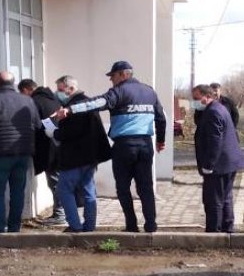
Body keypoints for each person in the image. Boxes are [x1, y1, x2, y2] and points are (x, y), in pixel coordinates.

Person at [53, 61, 167, 233]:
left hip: (124, 146)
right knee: (145, 187)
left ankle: (131, 225)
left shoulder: (118, 91)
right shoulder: (149, 91)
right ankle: (151, 225)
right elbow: (161, 118)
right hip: (145, 144)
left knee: (123, 187)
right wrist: (161, 141)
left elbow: (97, 103)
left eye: (112, 76)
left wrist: (70, 110)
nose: (111, 80)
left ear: (122, 74)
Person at [0, 71, 39, 233]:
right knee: (18, 191)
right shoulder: (27, 100)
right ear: (14, 82)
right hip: (23, 152)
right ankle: (14, 227)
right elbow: (37, 125)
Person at [50, 76, 112, 232]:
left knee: (64, 190)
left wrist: (54, 133)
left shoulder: (74, 106)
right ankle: (89, 226)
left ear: (70, 88)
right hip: (90, 157)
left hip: (75, 157)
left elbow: (71, 132)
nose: (58, 93)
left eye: (60, 89)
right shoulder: (87, 103)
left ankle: (75, 226)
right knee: (88, 190)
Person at [191, 84, 244, 232]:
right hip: (228, 163)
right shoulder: (217, 108)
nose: (194, 102)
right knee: (225, 198)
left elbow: (215, 141)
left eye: (196, 98)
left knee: (213, 200)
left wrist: (208, 165)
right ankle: (227, 228)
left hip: (219, 165)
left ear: (207, 96)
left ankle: (214, 232)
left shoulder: (213, 112)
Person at [18, 78, 65, 225]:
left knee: (55, 181)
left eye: (22, 93)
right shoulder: (53, 99)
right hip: (59, 144)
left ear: (26, 90)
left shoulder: (35, 102)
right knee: (58, 179)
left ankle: (60, 214)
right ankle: (61, 212)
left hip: (48, 147)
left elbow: (35, 125)